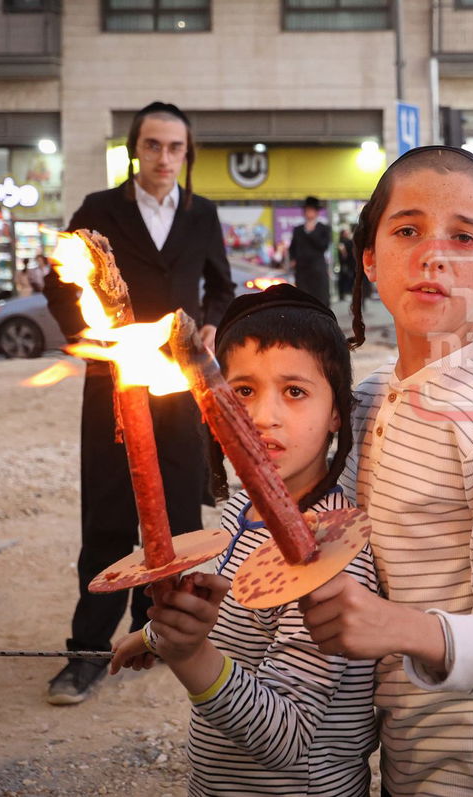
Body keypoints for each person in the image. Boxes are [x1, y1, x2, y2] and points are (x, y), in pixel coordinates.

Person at [301, 146, 473, 796]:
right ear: (369, 258)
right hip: (406, 741)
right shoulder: (370, 396)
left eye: (463, 236)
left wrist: (393, 626)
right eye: (407, 230)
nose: (433, 256)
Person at [108, 284, 377, 796]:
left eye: (294, 392)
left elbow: (289, 737)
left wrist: (191, 656)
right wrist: (157, 636)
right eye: (244, 392)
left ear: (337, 412)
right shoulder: (239, 511)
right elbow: (229, 625)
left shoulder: (332, 553)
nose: (263, 416)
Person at [43, 100, 235, 706]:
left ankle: (153, 635)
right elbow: (57, 282)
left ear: (187, 154)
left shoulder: (202, 214)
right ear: (135, 150)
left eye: (175, 147)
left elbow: (221, 285)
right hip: (114, 386)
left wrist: (212, 324)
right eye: (153, 145)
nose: (164, 157)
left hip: (178, 387)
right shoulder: (99, 209)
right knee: (108, 517)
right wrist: (92, 338)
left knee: (177, 517)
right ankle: (86, 654)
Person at [288, 196, 332, 307]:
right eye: (307, 210)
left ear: (316, 212)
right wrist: (293, 259)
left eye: (311, 210)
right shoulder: (298, 229)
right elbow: (292, 247)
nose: (309, 213)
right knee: (303, 299)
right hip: (302, 271)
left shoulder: (323, 228)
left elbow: (323, 246)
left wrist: (311, 232)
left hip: (317, 270)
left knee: (320, 299)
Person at [335, 226, 356, 302]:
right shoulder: (343, 242)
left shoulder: (345, 241)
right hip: (346, 264)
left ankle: (344, 294)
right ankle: (344, 293)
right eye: (346, 232)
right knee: (345, 278)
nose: (347, 233)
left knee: (346, 278)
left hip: (348, 264)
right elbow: (344, 254)